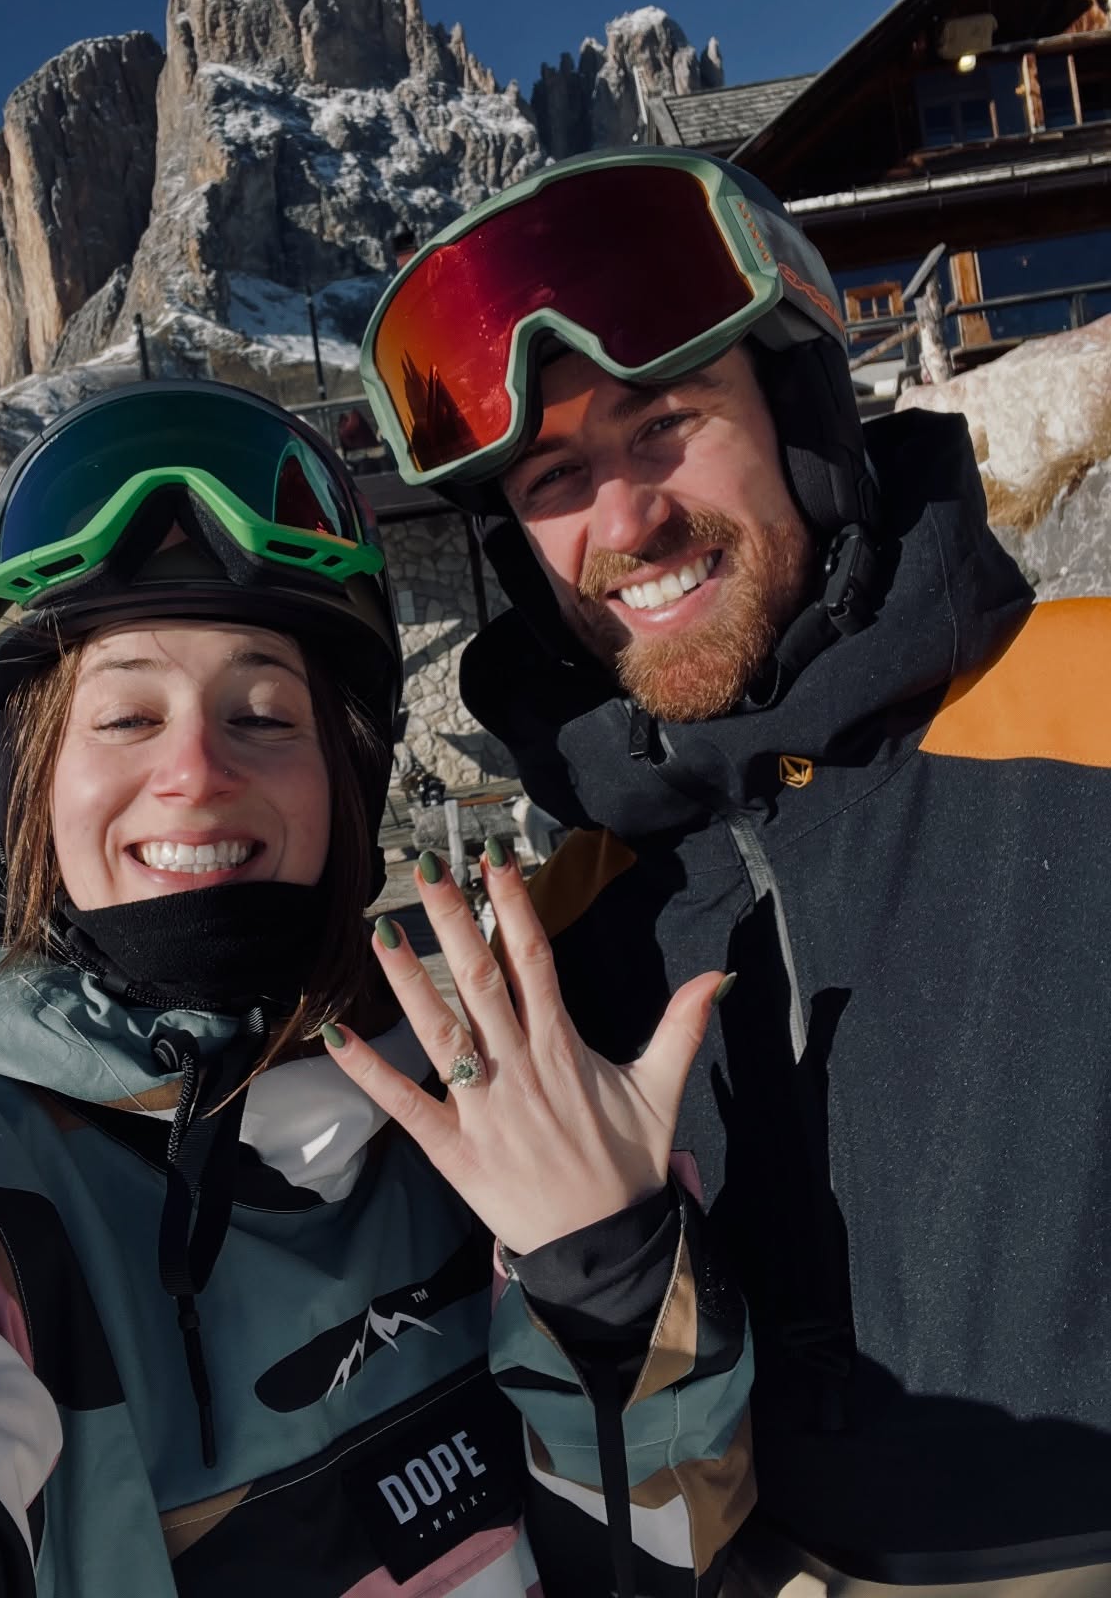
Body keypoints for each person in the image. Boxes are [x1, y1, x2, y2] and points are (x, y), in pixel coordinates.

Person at [0, 379, 747, 1597]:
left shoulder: (487, 1097)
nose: (193, 770)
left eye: (264, 712)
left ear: (348, 775)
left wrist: (605, 1275)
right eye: (125, 715)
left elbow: (665, 1564)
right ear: (33, 785)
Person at [360, 151, 1111, 1598]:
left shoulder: (1089, 713)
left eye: (666, 427)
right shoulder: (559, 944)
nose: (627, 521)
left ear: (803, 418)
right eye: (557, 479)